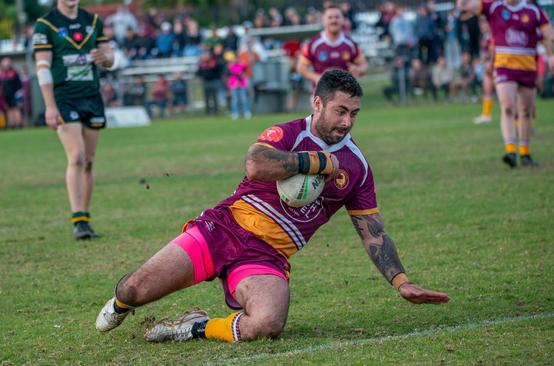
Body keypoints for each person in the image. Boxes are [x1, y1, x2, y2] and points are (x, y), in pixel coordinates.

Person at [95, 70, 450, 343]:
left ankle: (192, 328)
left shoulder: (357, 167)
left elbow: (373, 231)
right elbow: (256, 163)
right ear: (317, 103)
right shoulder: (287, 133)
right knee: (132, 290)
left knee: (268, 324)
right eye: (340, 111)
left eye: (354, 114)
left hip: (265, 257)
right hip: (223, 229)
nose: (347, 122)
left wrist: (401, 281)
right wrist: (316, 163)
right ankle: (122, 304)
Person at [33, 0, 117, 240]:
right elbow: (43, 67)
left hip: (91, 96)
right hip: (64, 98)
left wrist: (106, 58)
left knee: (89, 160)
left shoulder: (93, 21)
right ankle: (77, 219)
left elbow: (109, 58)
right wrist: (49, 105)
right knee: (77, 156)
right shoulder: (45, 24)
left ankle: (86, 219)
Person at [458, 0, 554, 167]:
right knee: (508, 106)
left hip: (527, 66)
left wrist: (551, 55)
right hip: (504, 66)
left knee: (525, 111)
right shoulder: (495, 7)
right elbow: (467, 6)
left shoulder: (534, 11)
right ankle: (510, 150)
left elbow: (548, 35)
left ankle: (525, 152)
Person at [297, 5, 367, 87]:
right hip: (321, 96)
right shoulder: (313, 44)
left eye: (337, 17)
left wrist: (358, 69)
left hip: (345, 94)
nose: (334, 20)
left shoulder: (350, 44)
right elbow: (301, 67)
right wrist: (316, 77)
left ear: (343, 20)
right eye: (330, 17)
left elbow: (364, 65)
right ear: (323, 20)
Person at [473, 17, 495, 124]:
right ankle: (486, 115)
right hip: (488, 66)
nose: (483, 26)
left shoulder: (493, 35)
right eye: (481, 24)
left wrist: (489, 61)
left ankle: (516, 118)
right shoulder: (485, 37)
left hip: (496, 67)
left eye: (485, 24)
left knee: (505, 94)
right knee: (487, 90)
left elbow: (492, 51)